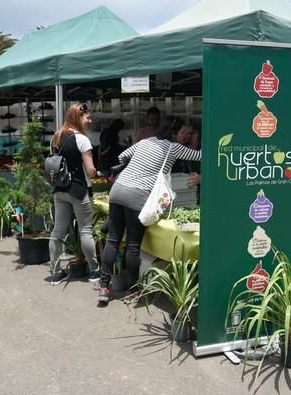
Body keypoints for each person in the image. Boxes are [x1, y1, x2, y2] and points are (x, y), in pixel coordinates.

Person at [98, 118, 201, 304]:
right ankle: (133, 290)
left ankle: (104, 287)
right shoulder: (173, 148)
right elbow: (200, 156)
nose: (185, 136)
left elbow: (122, 157)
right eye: (184, 133)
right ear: (173, 133)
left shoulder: (145, 141)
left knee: (113, 239)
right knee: (133, 245)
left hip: (118, 189)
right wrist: (194, 142)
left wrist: (140, 166)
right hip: (137, 196)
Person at [48, 103, 101, 286]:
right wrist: (97, 172)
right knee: (85, 230)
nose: (90, 120)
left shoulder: (56, 137)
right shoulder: (82, 140)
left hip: (60, 190)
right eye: (87, 117)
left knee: (58, 230)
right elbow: (90, 169)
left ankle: (56, 272)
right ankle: (94, 271)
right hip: (79, 190)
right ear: (77, 118)